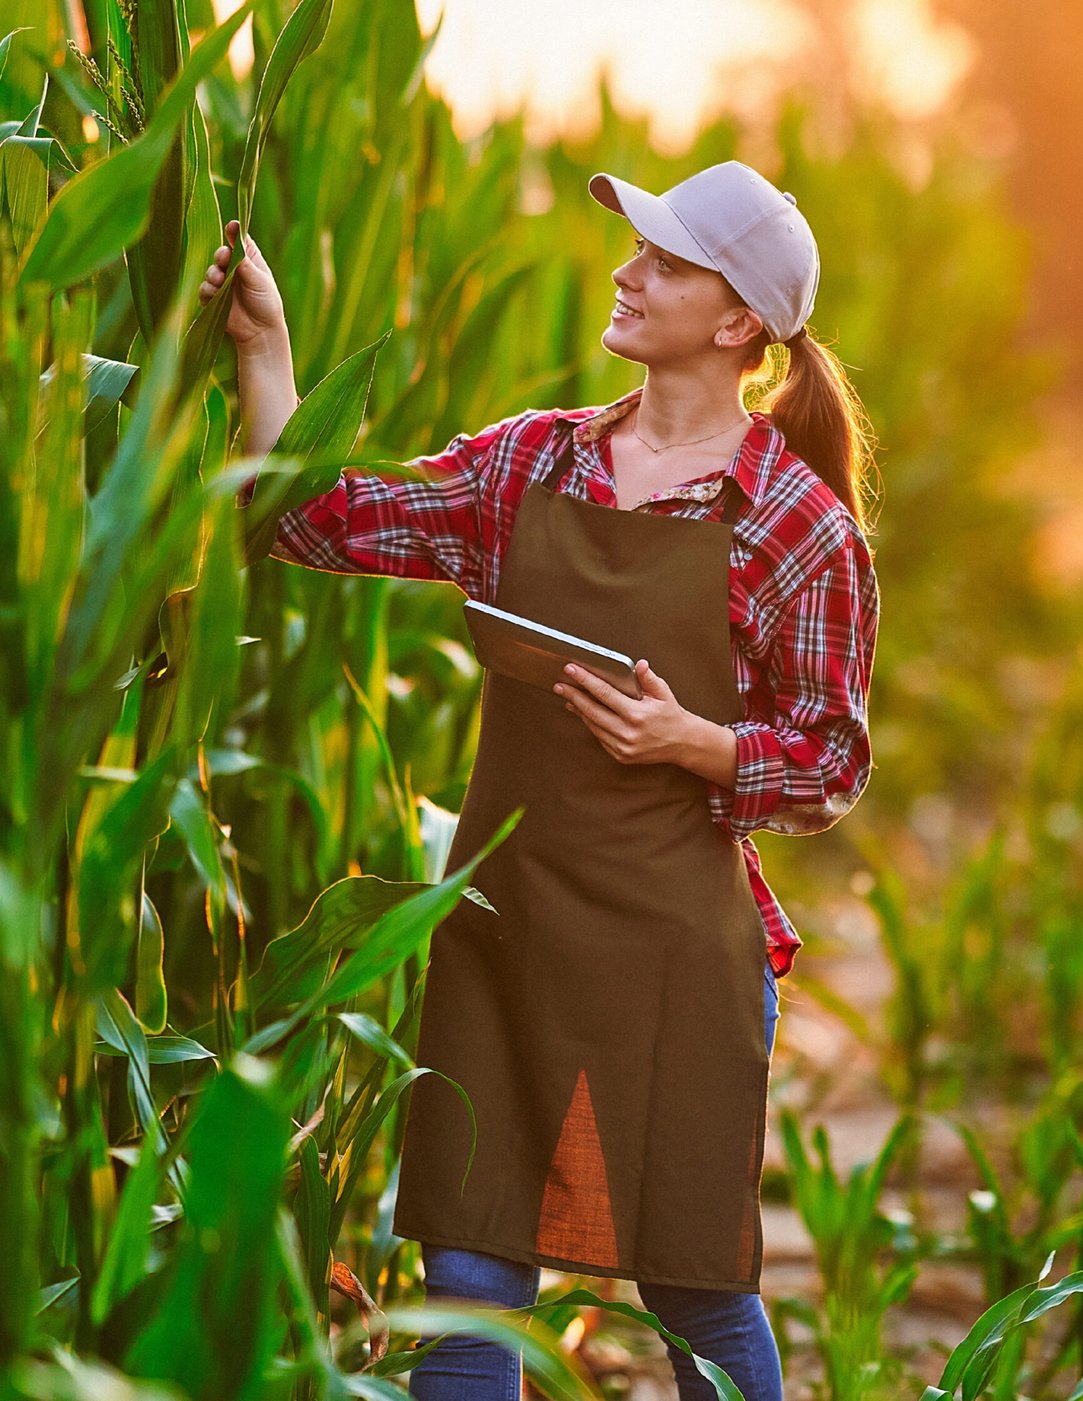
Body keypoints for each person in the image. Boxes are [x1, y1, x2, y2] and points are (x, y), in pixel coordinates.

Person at [202, 160, 880, 1399]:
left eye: (664, 263)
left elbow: (833, 760)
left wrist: (695, 744)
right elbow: (318, 518)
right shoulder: (529, 467)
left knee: (695, 1291)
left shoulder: (797, 526)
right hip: (503, 936)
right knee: (467, 1281)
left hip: (672, 956)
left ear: (737, 323)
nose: (625, 274)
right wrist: (268, 347)